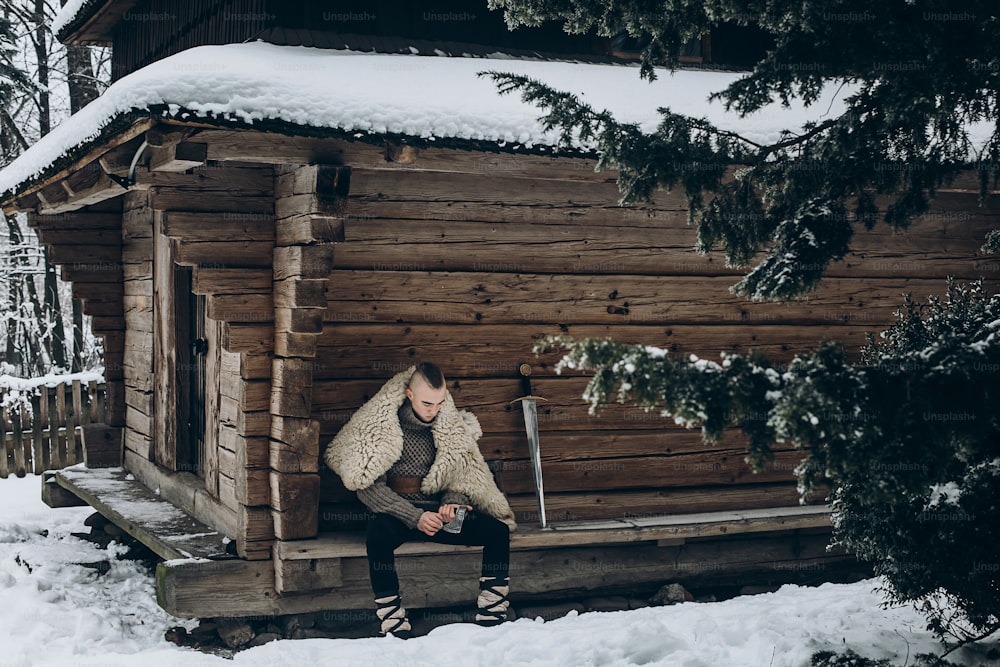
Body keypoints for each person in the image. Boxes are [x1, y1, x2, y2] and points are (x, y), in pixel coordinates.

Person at [324, 362, 516, 638]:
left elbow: (459, 475)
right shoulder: (384, 429)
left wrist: (453, 503)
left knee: (497, 531)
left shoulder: (449, 429)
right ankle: (392, 621)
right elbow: (367, 488)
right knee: (377, 537)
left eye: (439, 403)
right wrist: (415, 517)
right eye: (427, 403)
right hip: (399, 515)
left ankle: (493, 611)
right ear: (409, 395)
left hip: (439, 516)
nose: (433, 410)